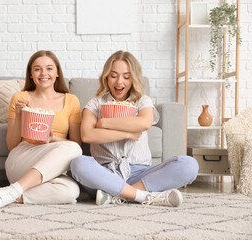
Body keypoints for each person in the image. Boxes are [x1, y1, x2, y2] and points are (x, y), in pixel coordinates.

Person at [0, 50, 83, 211]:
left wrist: (53, 139)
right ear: (30, 74)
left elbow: (76, 144)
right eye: (37, 69)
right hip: (23, 158)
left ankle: (1, 193)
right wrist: (17, 115)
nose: (44, 73)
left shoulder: (71, 100)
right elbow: (12, 145)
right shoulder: (21, 98)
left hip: (52, 162)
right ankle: (15, 190)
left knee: (71, 191)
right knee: (73, 151)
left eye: (49, 68)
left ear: (57, 72)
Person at [70, 50, 198, 207]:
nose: (119, 82)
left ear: (134, 78)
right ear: (106, 77)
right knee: (78, 163)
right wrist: (128, 133)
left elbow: (144, 123)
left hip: (140, 174)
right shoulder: (95, 104)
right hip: (104, 174)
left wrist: (105, 123)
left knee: (189, 164)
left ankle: (116, 195)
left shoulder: (142, 101)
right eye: (114, 75)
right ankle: (142, 196)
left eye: (126, 76)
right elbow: (87, 135)